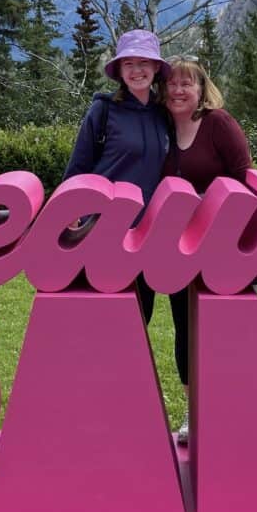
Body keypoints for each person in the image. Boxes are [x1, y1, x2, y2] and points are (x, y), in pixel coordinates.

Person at [159, 56, 251, 444]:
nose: (179, 90)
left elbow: (245, 178)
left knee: (225, 329)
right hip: (177, 247)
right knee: (185, 327)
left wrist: (207, 203)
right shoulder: (159, 126)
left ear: (202, 89)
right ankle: (193, 414)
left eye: (187, 84)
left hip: (221, 245)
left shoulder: (218, 124)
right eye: (173, 84)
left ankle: (236, 411)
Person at [62, 29, 171, 321]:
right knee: (105, 316)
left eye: (144, 62)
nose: (137, 71)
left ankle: (132, 370)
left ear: (157, 67)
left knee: (140, 316)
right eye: (129, 64)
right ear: (120, 70)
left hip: (149, 233)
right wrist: (68, 213)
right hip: (104, 228)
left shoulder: (165, 112)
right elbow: (79, 166)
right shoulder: (104, 110)